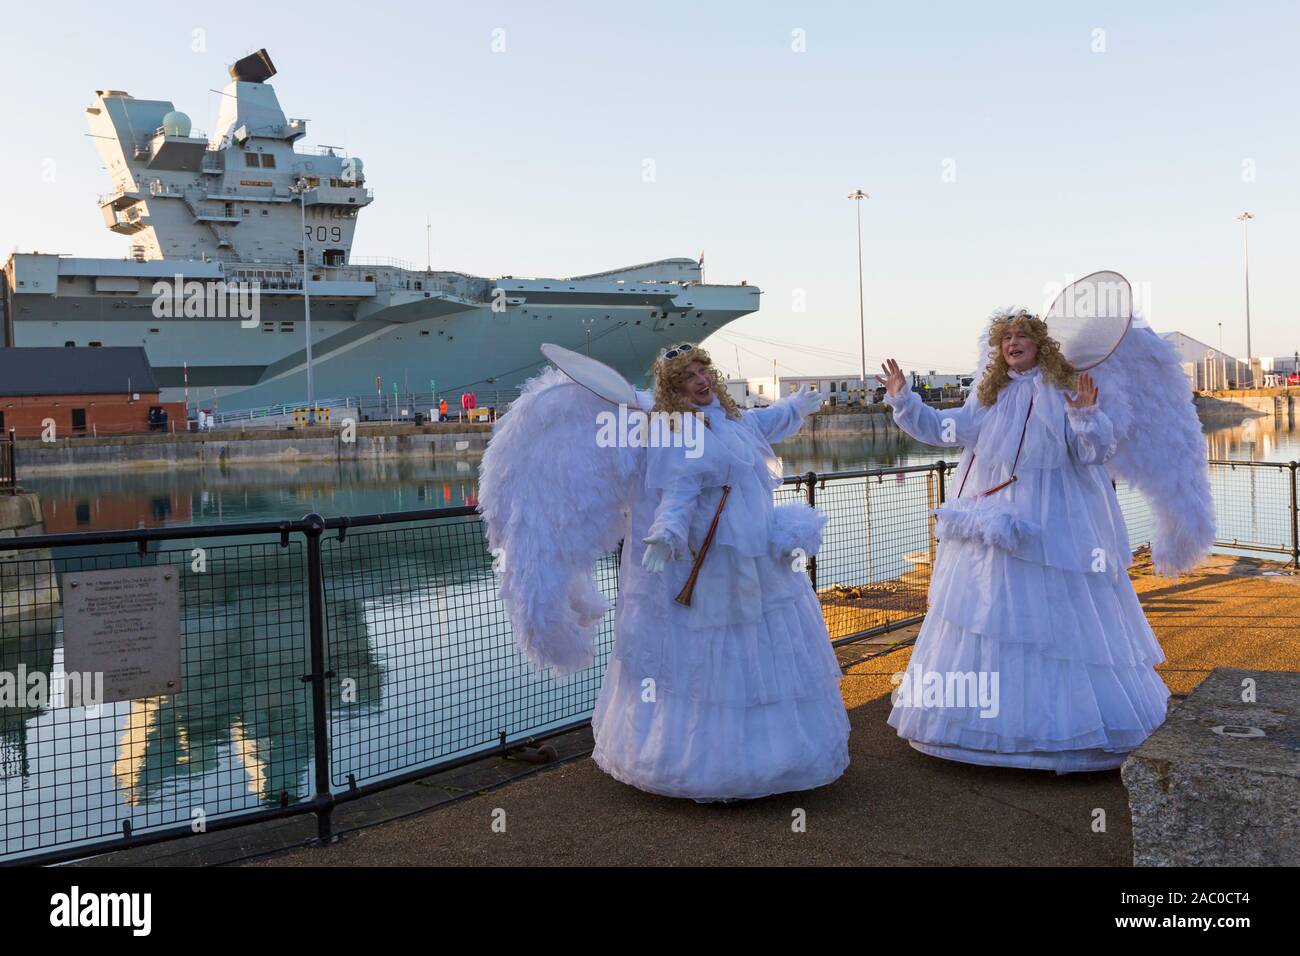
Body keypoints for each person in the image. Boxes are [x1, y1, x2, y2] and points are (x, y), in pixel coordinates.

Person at [877, 311, 1170, 772]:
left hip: (1053, 522)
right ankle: (984, 728)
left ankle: (1063, 731)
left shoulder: (1064, 388)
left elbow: (1095, 454)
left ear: (1040, 345)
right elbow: (942, 429)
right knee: (992, 613)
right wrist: (903, 400)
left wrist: (1086, 415)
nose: (1013, 343)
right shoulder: (988, 396)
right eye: (1006, 337)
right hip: (993, 524)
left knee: (1052, 617)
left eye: (1021, 336)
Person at [588, 343, 849, 801]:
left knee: (759, 643)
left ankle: (775, 759)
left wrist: (796, 405)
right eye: (687, 377)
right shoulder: (678, 431)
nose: (700, 381)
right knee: (715, 649)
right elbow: (678, 490)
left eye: (701, 371)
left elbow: (765, 423)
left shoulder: (731, 419)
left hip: (753, 554)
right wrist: (666, 534)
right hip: (714, 562)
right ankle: (712, 766)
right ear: (674, 390)